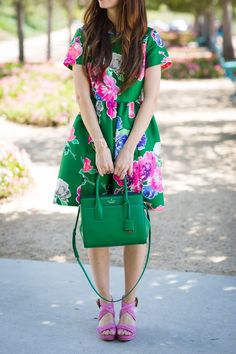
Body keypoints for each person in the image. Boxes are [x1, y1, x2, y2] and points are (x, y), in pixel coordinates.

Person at [53, 0, 172, 342]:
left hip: (136, 137)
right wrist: (102, 146)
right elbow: (81, 95)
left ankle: (130, 304)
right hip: (94, 135)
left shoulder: (149, 39)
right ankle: (106, 304)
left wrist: (130, 148)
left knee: (135, 217)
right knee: (98, 215)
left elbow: (150, 99)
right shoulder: (85, 37)